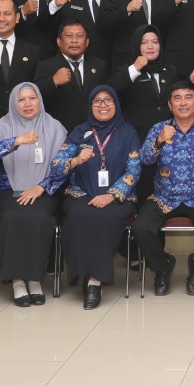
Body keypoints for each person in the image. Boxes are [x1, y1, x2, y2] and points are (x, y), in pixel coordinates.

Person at [0, 82, 68, 306]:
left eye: (32, 98)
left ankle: (35, 279)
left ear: (40, 100)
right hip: (7, 190)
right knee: (12, 217)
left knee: (38, 216)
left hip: (44, 190)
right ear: (14, 103)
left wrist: (42, 186)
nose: (27, 104)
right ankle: (17, 281)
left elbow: (64, 166)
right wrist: (17, 140)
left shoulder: (55, 127)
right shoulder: (3, 124)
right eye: (21, 99)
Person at [53, 84, 140, 309]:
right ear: (91, 105)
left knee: (104, 217)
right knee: (79, 215)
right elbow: (57, 166)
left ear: (116, 104)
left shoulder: (128, 132)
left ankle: (94, 282)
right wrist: (75, 160)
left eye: (108, 100)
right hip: (81, 192)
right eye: (97, 101)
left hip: (118, 196)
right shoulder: (79, 132)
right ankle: (83, 273)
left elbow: (134, 169)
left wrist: (111, 195)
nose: (103, 105)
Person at [136, 82, 194, 296]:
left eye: (188, 97)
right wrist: (159, 140)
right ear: (170, 104)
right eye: (177, 98)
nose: (183, 103)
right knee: (140, 227)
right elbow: (145, 159)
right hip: (163, 197)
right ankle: (163, 266)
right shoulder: (159, 129)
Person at [35, 19, 110, 131]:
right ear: (59, 41)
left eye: (79, 36)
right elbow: (35, 97)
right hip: (60, 133)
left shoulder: (99, 66)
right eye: (69, 36)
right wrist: (53, 81)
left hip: (94, 132)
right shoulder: (46, 66)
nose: (74, 41)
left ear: (87, 42)